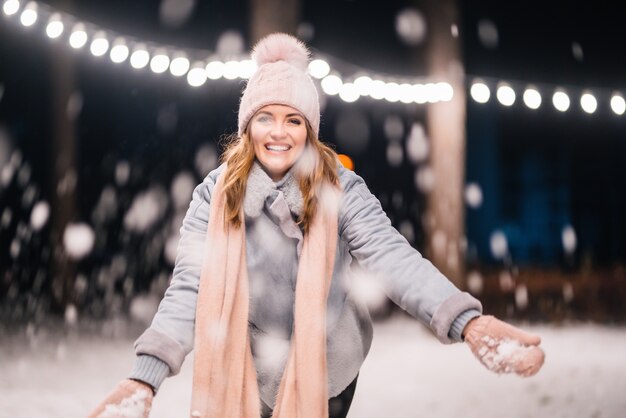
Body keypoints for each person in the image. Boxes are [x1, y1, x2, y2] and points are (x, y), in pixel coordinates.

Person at [89, 33, 544, 418]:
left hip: (328, 364)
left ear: (309, 129)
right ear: (248, 126)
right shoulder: (216, 193)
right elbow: (190, 284)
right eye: (265, 117)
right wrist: (144, 377)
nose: (278, 132)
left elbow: (391, 256)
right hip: (246, 366)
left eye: (293, 120)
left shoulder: (339, 189)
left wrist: (465, 321)